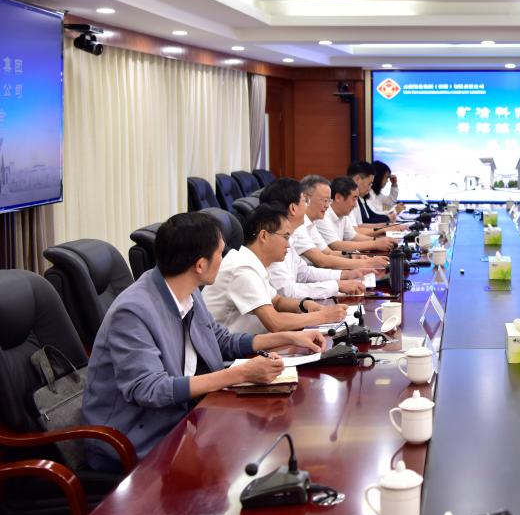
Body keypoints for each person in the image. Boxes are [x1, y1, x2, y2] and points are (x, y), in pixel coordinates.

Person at [82, 212, 327, 472]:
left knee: (262, 442)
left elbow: (221, 340)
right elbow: (150, 390)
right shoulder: (133, 311)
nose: (224, 259)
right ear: (200, 265)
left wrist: (289, 336)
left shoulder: (188, 291)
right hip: (140, 438)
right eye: (220, 253)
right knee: (249, 459)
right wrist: (240, 373)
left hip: (186, 418)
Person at [203, 203, 351, 333]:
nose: (288, 245)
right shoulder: (242, 268)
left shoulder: (251, 262)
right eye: (285, 237)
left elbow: (277, 301)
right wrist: (323, 316)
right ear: (264, 236)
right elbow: (275, 323)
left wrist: (304, 304)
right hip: (229, 352)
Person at [259, 178, 367, 299]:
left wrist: (345, 274)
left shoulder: (289, 237)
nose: (307, 206)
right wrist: (337, 285)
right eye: (305, 201)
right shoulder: (273, 242)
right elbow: (287, 293)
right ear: (293, 209)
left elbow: (305, 273)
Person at [297, 174, 388, 271]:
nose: (327, 205)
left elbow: (328, 253)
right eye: (324, 200)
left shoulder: (311, 223)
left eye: (328, 200)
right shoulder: (299, 225)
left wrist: (354, 255)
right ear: (306, 199)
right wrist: (368, 262)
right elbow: (322, 260)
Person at [317, 176, 399, 252]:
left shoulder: (343, 214)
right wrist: (375, 244)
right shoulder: (323, 215)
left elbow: (353, 237)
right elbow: (337, 245)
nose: (355, 205)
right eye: (354, 199)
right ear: (338, 197)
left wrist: (379, 240)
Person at [349, 160, 393, 225]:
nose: (370, 188)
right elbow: (360, 225)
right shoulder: (348, 199)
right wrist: (387, 223)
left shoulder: (359, 197)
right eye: (369, 184)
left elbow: (365, 220)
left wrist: (388, 222)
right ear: (357, 179)